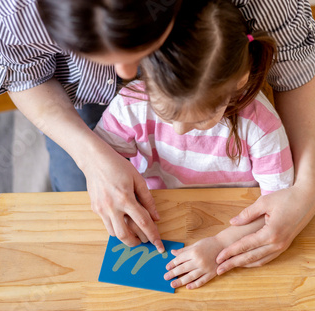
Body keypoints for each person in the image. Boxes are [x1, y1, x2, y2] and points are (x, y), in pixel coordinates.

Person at [0, 0, 315, 269]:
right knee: (79, 201)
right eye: (94, 52)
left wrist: (308, 186)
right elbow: (22, 74)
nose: (129, 75)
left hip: (191, 85)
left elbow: (297, 67)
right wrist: (90, 156)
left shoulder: (256, 125)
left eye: (140, 51)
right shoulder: (13, 9)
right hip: (100, 108)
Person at [93, 0, 293, 289]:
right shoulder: (130, 105)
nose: (179, 130)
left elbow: (279, 205)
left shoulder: (262, 127)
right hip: (162, 219)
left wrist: (221, 245)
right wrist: (124, 205)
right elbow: (104, 168)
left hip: (233, 229)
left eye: (200, 120)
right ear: (145, 76)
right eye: (166, 113)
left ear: (239, 81)